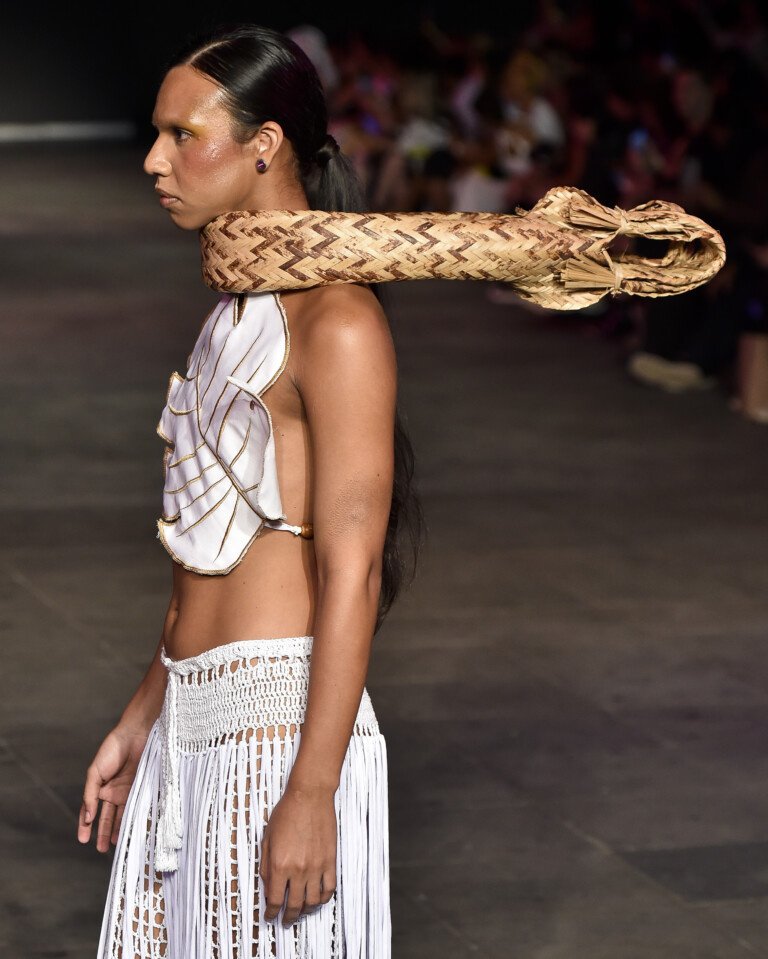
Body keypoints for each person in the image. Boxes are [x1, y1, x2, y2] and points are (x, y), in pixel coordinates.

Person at [77, 23, 421, 958]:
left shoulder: (340, 322)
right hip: (190, 716)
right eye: (157, 134)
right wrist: (144, 713)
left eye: (183, 134)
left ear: (264, 145)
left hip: (278, 730)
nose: (155, 160)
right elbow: (202, 543)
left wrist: (311, 792)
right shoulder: (231, 310)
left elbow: (353, 573)